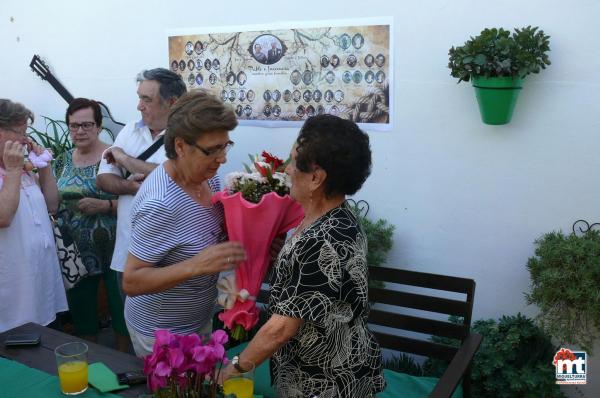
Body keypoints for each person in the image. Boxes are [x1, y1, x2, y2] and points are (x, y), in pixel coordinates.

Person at [222, 114, 386, 397]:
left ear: (316, 178)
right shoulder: (333, 218)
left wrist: (234, 368)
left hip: (326, 382)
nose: (286, 169)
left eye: (293, 160)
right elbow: (313, 290)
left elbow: (281, 328)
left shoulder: (323, 239)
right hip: (323, 368)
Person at [122, 90, 246, 357]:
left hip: (198, 321)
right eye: (212, 150)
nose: (222, 158)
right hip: (161, 333)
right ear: (180, 146)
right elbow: (131, 281)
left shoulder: (206, 177)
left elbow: (208, 233)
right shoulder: (160, 204)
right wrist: (196, 265)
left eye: (225, 145)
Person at [96, 68, 186, 302]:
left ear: (172, 102)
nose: (139, 106)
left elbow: (181, 178)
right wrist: (132, 187)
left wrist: (125, 159)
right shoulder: (129, 131)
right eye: (139, 97)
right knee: (131, 328)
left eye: (146, 99)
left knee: (166, 333)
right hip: (126, 254)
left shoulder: (190, 137)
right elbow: (104, 178)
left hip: (170, 261)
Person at [53, 98, 129, 351]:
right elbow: (53, 200)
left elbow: (141, 202)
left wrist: (106, 206)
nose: (80, 131)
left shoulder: (116, 159)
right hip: (75, 253)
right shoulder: (62, 161)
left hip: (116, 251)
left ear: (98, 127)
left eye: (86, 125)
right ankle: (89, 368)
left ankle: (124, 368)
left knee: (122, 313)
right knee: (82, 315)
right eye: (73, 126)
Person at [0, 99, 68, 332]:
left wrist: (45, 167)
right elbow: (3, 217)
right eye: (19, 132)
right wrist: (11, 170)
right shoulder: (14, 168)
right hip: (12, 298)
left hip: (39, 284)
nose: (25, 140)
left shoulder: (22, 169)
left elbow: (52, 204)